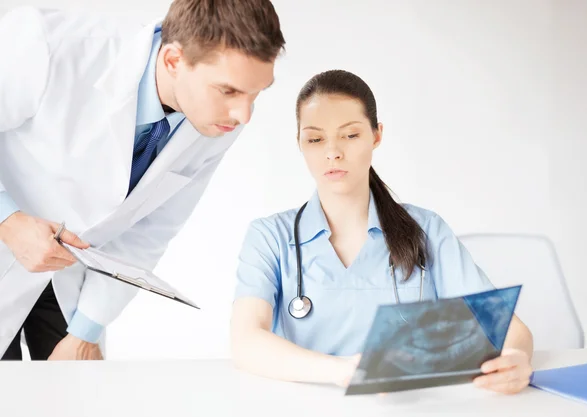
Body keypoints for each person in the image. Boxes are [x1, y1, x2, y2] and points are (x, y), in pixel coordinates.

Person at [0, 0, 284, 360]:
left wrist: (85, 331)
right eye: (228, 91)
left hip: (68, 280)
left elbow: (151, 229)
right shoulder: (50, 44)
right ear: (173, 61)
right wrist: (7, 220)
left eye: (257, 92)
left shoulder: (220, 121)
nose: (244, 114)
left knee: (73, 401)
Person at [230, 69, 534, 395]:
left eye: (350, 135)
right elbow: (246, 340)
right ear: (300, 144)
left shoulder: (426, 229)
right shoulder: (270, 237)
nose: (333, 152)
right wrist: (344, 371)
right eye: (316, 139)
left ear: (377, 136)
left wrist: (516, 359)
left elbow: (510, 329)